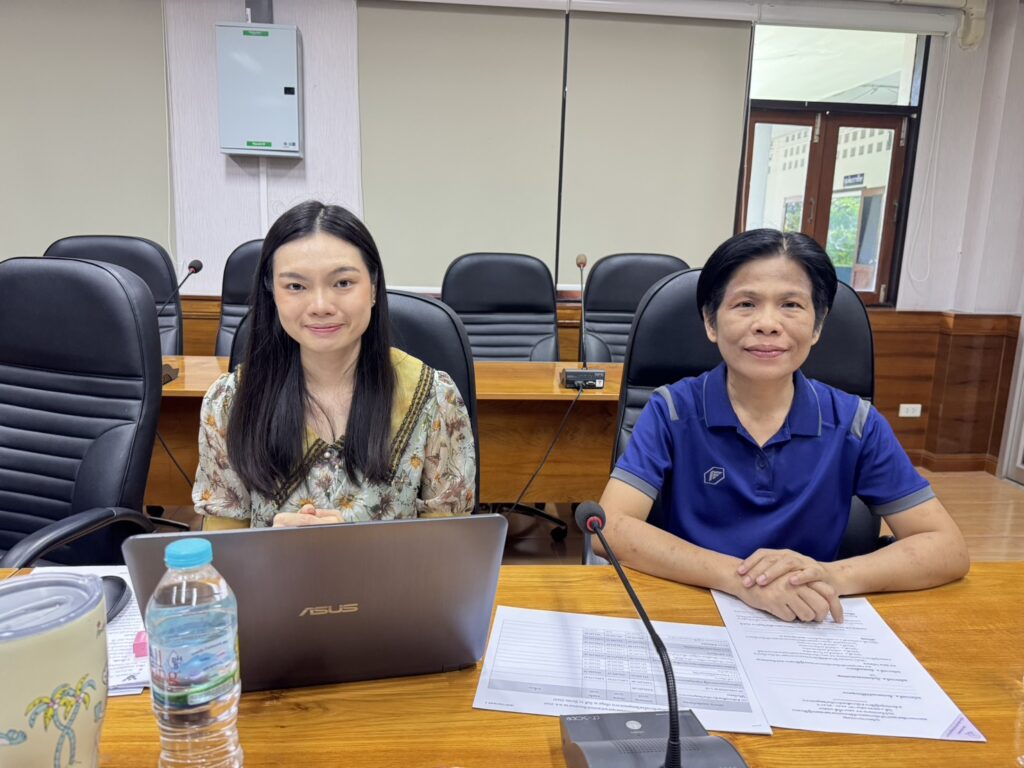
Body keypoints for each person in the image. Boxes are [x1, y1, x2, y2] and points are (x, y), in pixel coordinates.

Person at [598, 229, 968, 623]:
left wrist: (829, 576)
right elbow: (610, 527)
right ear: (710, 321)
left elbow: (948, 548)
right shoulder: (671, 411)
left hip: (810, 618)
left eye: (791, 305)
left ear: (817, 325)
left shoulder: (855, 424)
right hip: (695, 609)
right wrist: (742, 580)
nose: (767, 324)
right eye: (745, 304)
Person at [193, 201, 476, 529]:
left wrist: (358, 547)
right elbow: (223, 543)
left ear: (373, 288)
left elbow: (449, 543)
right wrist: (271, 547)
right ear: (272, 294)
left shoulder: (433, 398)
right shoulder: (231, 401)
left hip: (391, 567)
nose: (320, 306)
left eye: (342, 283)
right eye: (295, 286)